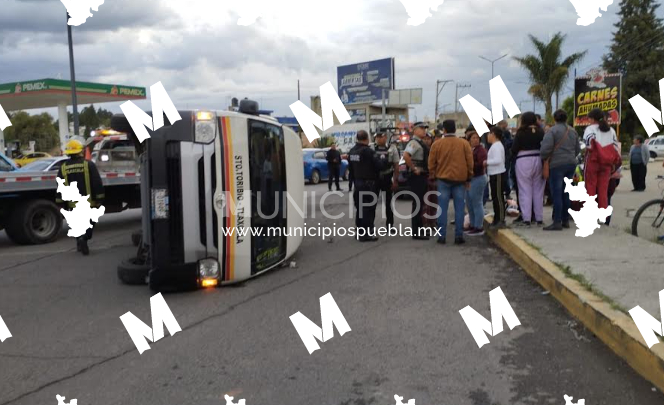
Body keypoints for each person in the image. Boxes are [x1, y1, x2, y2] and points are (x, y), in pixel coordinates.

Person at [56, 139, 105, 255]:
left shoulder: (63, 168)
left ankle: (79, 240)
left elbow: (60, 186)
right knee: (90, 223)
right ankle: (84, 238)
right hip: (89, 203)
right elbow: (97, 182)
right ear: (80, 152)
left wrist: (60, 203)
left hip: (73, 205)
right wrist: (99, 199)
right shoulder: (89, 165)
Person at [428, 119, 473, 244]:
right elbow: (470, 162)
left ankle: (441, 236)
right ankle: (459, 236)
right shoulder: (464, 143)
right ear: (455, 129)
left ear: (444, 130)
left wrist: (433, 175)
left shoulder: (437, 144)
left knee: (442, 208)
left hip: (442, 180)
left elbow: (431, 163)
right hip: (460, 180)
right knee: (459, 208)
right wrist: (469, 177)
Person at [540, 109, 580, 231]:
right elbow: (577, 149)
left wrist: (546, 158)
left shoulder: (552, 131)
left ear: (554, 119)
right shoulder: (573, 131)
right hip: (571, 164)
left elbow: (545, 150)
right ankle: (565, 220)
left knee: (557, 193)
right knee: (566, 192)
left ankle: (557, 221)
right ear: (566, 118)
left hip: (556, 165)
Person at [511, 112, 545, 226]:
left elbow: (514, 148)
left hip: (523, 160)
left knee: (525, 190)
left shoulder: (520, 132)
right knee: (538, 190)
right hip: (538, 159)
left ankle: (527, 218)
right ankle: (539, 218)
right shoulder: (541, 131)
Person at [583, 108, 621, 209]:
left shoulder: (589, 129)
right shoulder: (611, 130)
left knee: (590, 188)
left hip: (593, 161)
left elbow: (589, 145)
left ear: (592, 119)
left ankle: (591, 214)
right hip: (607, 163)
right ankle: (602, 215)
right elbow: (615, 147)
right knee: (603, 190)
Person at [348, 130, 381, 242]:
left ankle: (359, 232)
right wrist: (384, 160)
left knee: (360, 209)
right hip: (368, 184)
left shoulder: (352, 151)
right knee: (368, 209)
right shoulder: (368, 151)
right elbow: (379, 166)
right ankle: (367, 234)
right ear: (367, 138)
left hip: (357, 183)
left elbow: (351, 169)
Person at [403, 122, 431, 240]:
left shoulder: (420, 142)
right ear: (414, 130)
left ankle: (419, 229)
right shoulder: (413, 142)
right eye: (421, 128)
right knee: (417, 203)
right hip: (417, 176)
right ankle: (416, 231)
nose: (424, 130)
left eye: (425, 129)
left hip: (422, 175)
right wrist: (414, 169)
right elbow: (406, 155)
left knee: (420, 203)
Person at [372, 132, 400, 227]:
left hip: (387, 178)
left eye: (381, 137)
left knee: (388, 203)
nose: (379, 139)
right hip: (374, 179)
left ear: (385, 137)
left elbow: (396, 165)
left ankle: (390, 225)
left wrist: (395, 181)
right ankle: (370, 226)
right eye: (377, 137)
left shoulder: (392, 148)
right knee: (372, 203)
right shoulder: (371, 149)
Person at [465, 130, 488, 236]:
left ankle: (479, 226)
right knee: (469, 203)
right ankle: (473, 224)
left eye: (477, 138)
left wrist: (470, 165)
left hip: (478, 177)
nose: (475, 140)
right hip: (470, 179)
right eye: (473, 138)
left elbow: (481, 164)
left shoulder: (481, 150)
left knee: (477, 203)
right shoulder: (470, 150)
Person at [487, 126, 507, 228]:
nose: (488, 136)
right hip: (493, 173)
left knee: (499, 197)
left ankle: (501, 219)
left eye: (489, 134)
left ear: (493, 134)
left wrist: (486, 162)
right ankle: (497, 218)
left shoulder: (497, 146)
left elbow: (498, 160)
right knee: (495, 197)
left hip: (498, 173)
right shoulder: (494, 146)